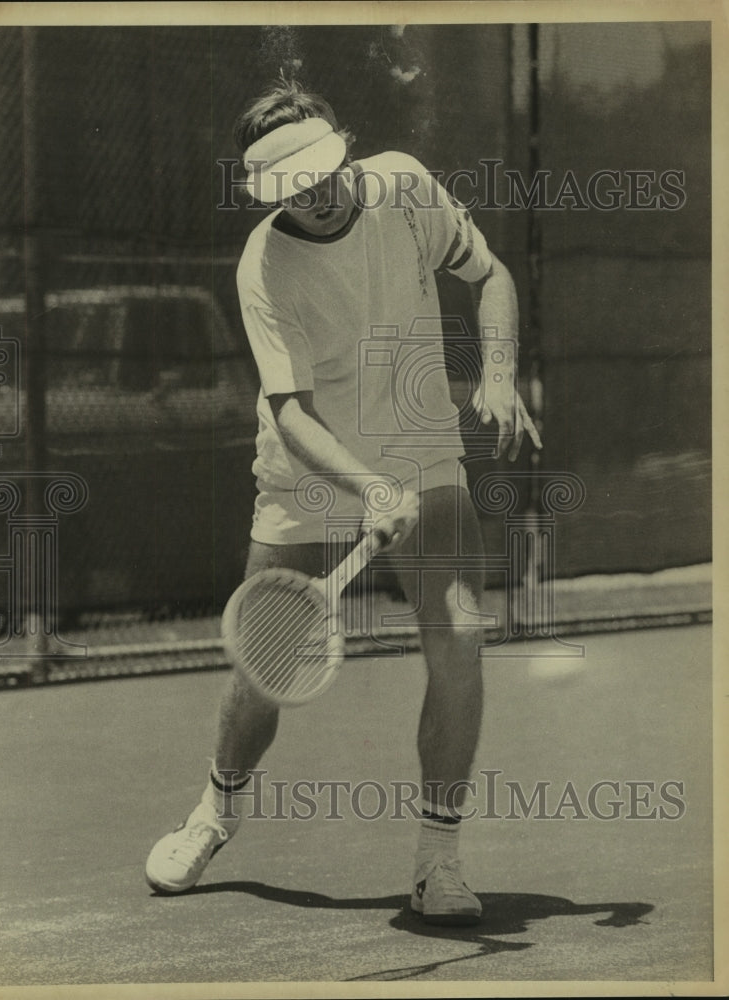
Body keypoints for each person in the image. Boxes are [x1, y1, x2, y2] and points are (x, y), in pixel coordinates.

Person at [146, 80, 541, 925]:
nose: (314, 198)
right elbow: (291, 412)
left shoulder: (404, 186)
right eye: (292, 189)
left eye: (323, 174)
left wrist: (499, 375)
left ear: (347, 148)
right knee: (265, 666)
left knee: (462, 635)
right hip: (308, 465)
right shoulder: (264, 263)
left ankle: (438, 860)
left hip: (424, 443)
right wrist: (367, 488)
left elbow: (490, 273)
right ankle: (218, 807)